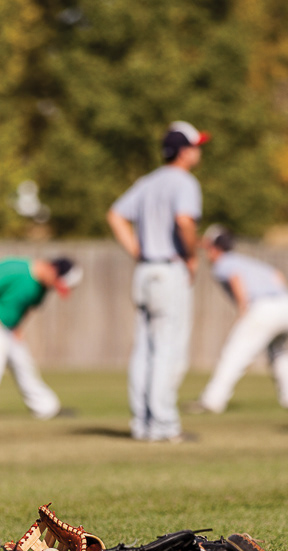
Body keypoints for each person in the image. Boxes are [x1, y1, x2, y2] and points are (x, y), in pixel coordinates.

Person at [108, 121, 207, 442]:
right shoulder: (184, 182)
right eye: (195, 146)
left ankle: (142, 423)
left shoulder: (147, 182)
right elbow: (184, 221)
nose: (199, 152)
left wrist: (137, 249)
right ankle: (164, 425)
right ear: (183, 151)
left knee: (144, 350)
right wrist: (191, 256)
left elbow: (116, 215)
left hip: (144, 271)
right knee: (168, 349)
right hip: (169, 270)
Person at [187, 226, 288, 415]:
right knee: (280, 353)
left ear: (214, 248)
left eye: (208, 247)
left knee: (234, 354)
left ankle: (212, 401)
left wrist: (243, 308)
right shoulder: (246, 261)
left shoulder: (223, 263)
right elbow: (277, 275)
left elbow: (236, 278)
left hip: (264, 308)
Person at [0, 256, 81, 420]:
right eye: (57, 282)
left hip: (3, 327)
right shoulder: (17, 269)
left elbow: (25, 307)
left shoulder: (42, 288)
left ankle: (46, 408)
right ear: (52, 270)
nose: (54, 287)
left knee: (22, 359)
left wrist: (17, 327)